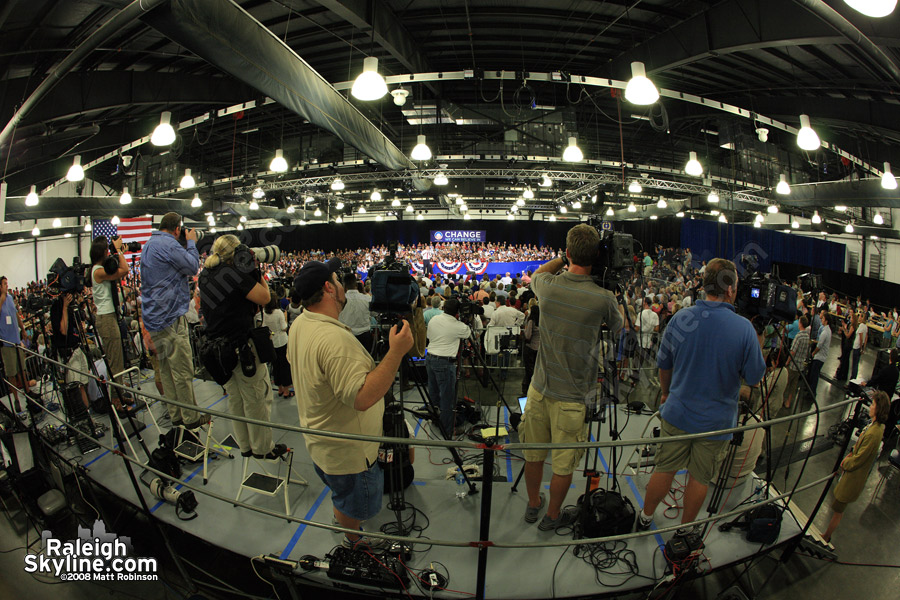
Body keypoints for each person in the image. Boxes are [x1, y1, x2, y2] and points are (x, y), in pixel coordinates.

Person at [288, 257, 414, 550]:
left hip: (322, 441)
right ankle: (355, 540)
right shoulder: (334, 340)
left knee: (341, 493)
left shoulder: (300, 324)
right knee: (356, 502)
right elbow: (363, 397)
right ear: (328, 289)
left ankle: (343, 521)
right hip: (350, 453)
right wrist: (395, 353)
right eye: (336, 279)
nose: (342, 284)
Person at [636, 258, 766, 535]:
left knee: (664, 468)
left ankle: (645, 516)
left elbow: (664, 364)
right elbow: (755, 378)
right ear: (730, 289)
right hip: (716, 423)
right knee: (700, 477)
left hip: (677, 412)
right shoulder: (744, 329)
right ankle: (685, 531)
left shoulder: (681, 318)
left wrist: (667, 394)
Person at [522, 224, 624, 531]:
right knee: (563, 465)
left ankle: (533, 505)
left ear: (567, 254)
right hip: (574, 397)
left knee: (533, 455)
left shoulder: (547, 285)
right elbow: (619, 328)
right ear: (597, 255)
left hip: (539, 389)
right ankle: (552, 517)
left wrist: (562, 260)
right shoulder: (603, 298)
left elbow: (539, 270)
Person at [199, 235, 286, 460]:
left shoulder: (206, 274)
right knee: (257, 398)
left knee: (235, 399)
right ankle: (263, 449)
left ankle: (246, 446)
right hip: (241, 348)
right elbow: (265, 298)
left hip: (218, 352)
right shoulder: (237, 276)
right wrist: (253, 269)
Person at [140, 212, 204, 428]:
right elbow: (193, 267)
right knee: (182, 371)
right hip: (171, 319)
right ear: (177, 229)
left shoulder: (149, 244)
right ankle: (191, 419)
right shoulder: (168, 244)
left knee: (167, 369)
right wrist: (192, 242)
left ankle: (176, 415)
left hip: (154, 320)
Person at [822, 390, 889, 543]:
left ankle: (827, 536)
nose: (870, 406)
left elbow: (860, 459)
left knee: (838, 509)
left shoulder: (874, 433)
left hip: (853, 477)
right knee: (838, 507)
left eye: (873, 404)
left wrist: (846, 463)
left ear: (878, 409)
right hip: (851, 473)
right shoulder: (874, 427)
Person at [89, 236, 135, 414]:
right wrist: (119, 251)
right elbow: (124, 269)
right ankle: (116, 400)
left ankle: (118, 394)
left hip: (110, 317)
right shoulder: (98, 271)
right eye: (108, 251)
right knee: (115, 361)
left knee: (117, 360)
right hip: (106, 319)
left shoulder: (99, 269)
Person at [425, 298, 472, 436]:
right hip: (445, 363)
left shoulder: (434, 319)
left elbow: (429, 335)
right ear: (457, 312)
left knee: (434, 393)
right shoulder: (458, 326)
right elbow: (468, 332)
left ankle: (435, 419)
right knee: (447, 398)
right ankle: (447, 429)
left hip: (430, 358)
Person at [49, 292, 91, 409]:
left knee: (83, 385)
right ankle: (80, 417)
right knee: (75, 388)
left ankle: (87, 415)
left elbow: (78, 325)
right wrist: (65, 307)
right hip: (68, 354)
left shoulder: (73, 306)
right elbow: (63, 330)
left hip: (77, 349)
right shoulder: (57, 307)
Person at [0, 276, 34, 409]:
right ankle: (15, 399)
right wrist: (2, 296)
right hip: (6, 344)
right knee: (11, 373)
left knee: (22, 369)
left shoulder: (9, 298)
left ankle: (28, 393)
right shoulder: (3, 299)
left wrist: (23, 330)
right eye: (4, 284)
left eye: (7, 283)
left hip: (16, 340)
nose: (6, 286)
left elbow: (15, 315)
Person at [263, 292, 293, 397]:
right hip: (282, 341)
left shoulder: (264, 313)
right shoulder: (279, 312)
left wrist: (272, 333)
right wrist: (285, 318)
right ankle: (286, 391)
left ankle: (279, 388)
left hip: (272, 342)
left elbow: (265, 328)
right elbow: (284, 327)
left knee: (276, 366)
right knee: (284, 366)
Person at [338, 273, 373, 354]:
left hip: (346, 336)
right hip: (364, 336)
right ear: (356, 285)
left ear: (344, 285)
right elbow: (374, 313)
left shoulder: (339, 300)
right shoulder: (367, 298)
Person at [783, 316, 810, 410]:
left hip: (793, 365)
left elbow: (793, 351)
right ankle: (788, 402)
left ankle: (782, 399)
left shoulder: (798, 336)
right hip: (800, 366)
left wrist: (787, 362)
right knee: (793, 386)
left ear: (801, 323)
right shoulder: (807, 336)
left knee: (786, 383)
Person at [808, 313, 831, 398]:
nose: (821, 319)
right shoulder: (828, 330)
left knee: (814, 376)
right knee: (815, 375)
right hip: (822, 357)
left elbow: (819, 346)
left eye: (823, 318)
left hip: (819, 357)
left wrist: (813, 353)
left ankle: (812, 393)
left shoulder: (825, 332)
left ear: (826, 321)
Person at [522, 304, 541, 396]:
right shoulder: (542, 322)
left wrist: (523, 332)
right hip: (539, 349)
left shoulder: (531, 321)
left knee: (529, 370)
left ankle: (528, 389)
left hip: (530, 348)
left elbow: (528, 335)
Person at [851, 313, 868, 380]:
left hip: (857, 347)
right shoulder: (865, 327)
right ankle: (853, 379)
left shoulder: (861, 326)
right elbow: (866, 338)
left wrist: (861, 348)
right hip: (859, 347)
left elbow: (861, 338)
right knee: (856, 364)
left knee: (854, 365)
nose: (859, 318)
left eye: (860, 316)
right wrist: (864, 348)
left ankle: (852, 379)